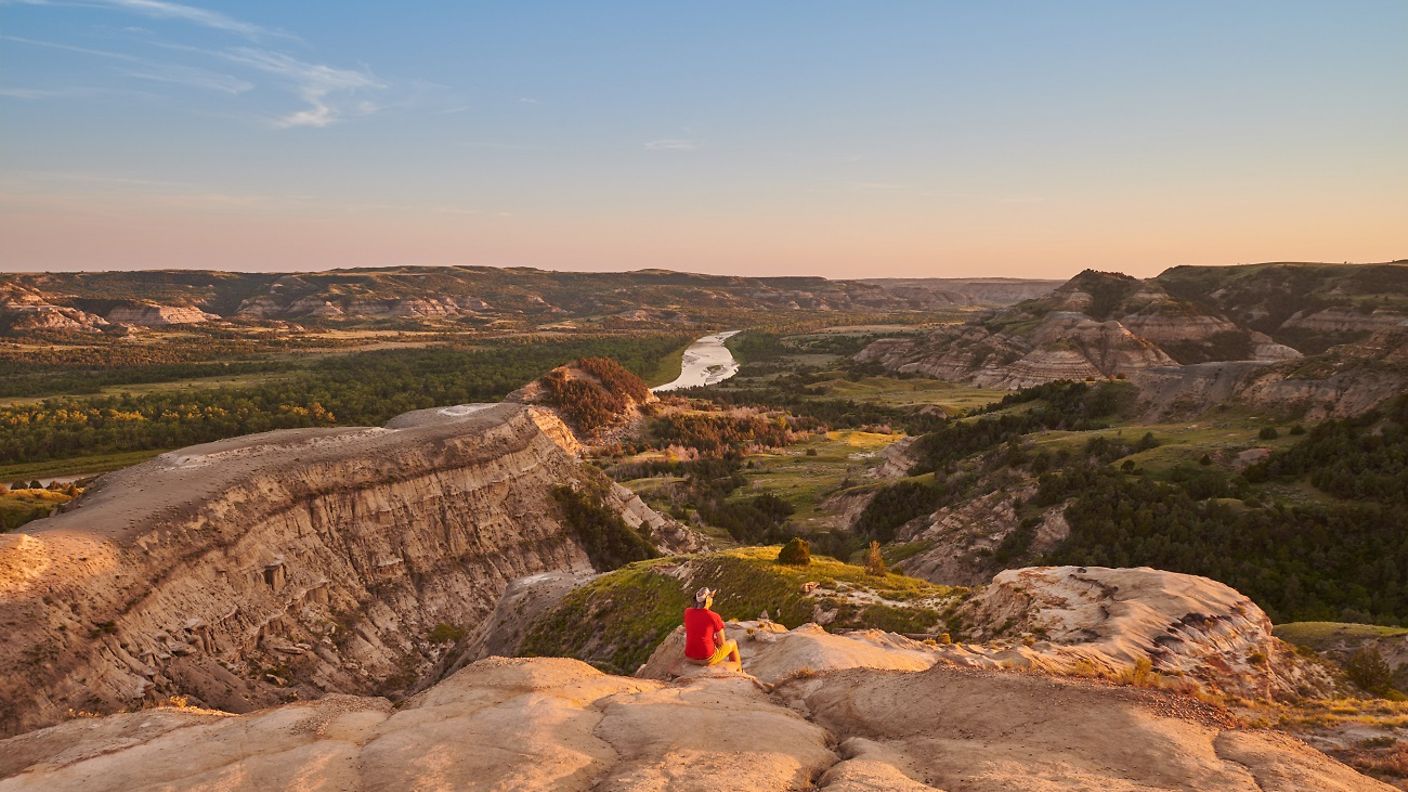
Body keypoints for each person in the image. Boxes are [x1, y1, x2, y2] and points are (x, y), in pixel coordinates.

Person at [683, 586, 741, 667]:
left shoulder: (687, 612)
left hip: (689, 657)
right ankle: (738, 671)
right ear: (708, 600)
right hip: (706, 658)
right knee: (733, 643)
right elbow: (722, 643)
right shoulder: (713, 616)